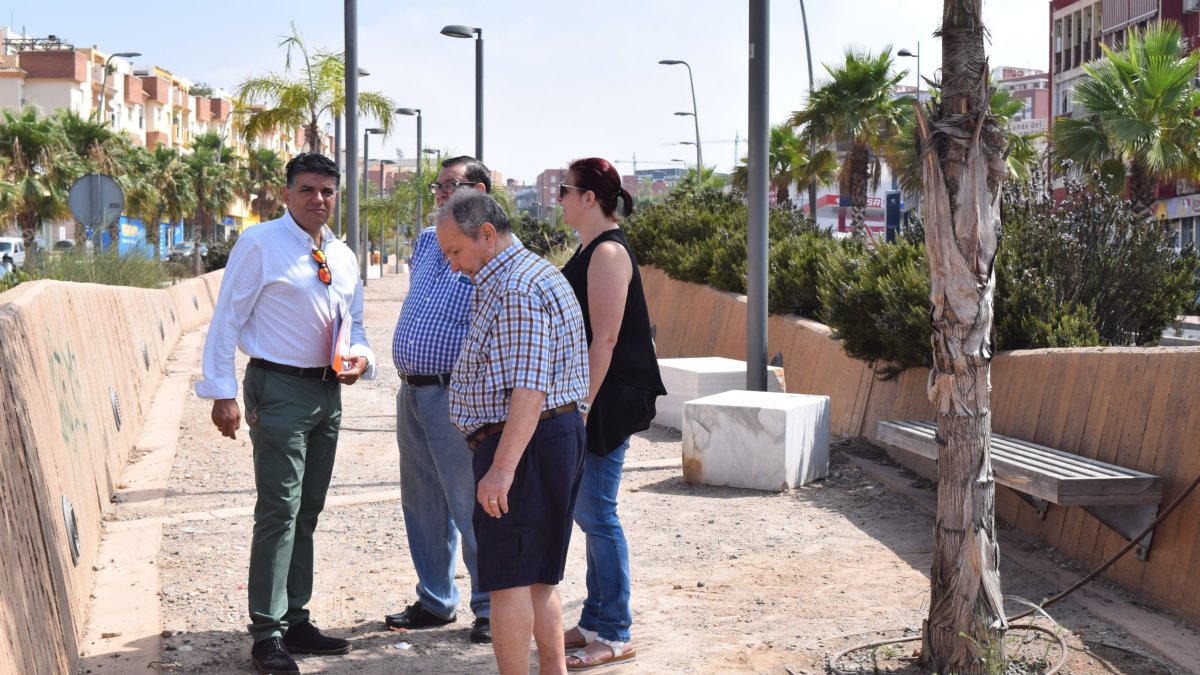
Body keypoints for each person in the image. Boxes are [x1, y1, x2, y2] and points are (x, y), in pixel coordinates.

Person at [195, 152, 376, 675]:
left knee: (309, 510)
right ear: (287, 193)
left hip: (327, 394)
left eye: (327, 192)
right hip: (278, 389)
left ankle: (296, 620)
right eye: (308, 190)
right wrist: (222, 392)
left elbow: (356, 324)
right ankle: (267, 633)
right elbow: (227, 317)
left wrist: (360, 360)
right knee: (278, 510)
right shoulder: (260, 243)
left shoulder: (341, 253)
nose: (318, 200)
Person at [437, 189, 590, 675]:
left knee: (507, 583)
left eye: (456, 252)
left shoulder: (516, 287)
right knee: (540, 579)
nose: (453, 265)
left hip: (521, 444)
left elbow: (530, 386)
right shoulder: (531, 273)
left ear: (486, 234)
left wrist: (501, 469)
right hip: (544, 438)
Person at [558, 158, 665, 671]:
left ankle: (616, 631)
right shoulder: (589, 248)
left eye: (565, 189)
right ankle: (595, 617)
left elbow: (605, 339)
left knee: (597, 512)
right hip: (594, 395)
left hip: (607, 399)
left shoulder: (606, 253)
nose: (558, 197)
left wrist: (581, 407)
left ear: (588, 197)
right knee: (588, 511)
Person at [385, 155, 494, 643]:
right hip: (412, 390)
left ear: (481, 189)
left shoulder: (490, 248)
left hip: (457, 394)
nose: (442, 195)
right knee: (423, 503)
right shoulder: (428, 242)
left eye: (452, 187)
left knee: (470, 502)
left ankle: (491, 606)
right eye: (438, 188)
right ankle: (436, 599)